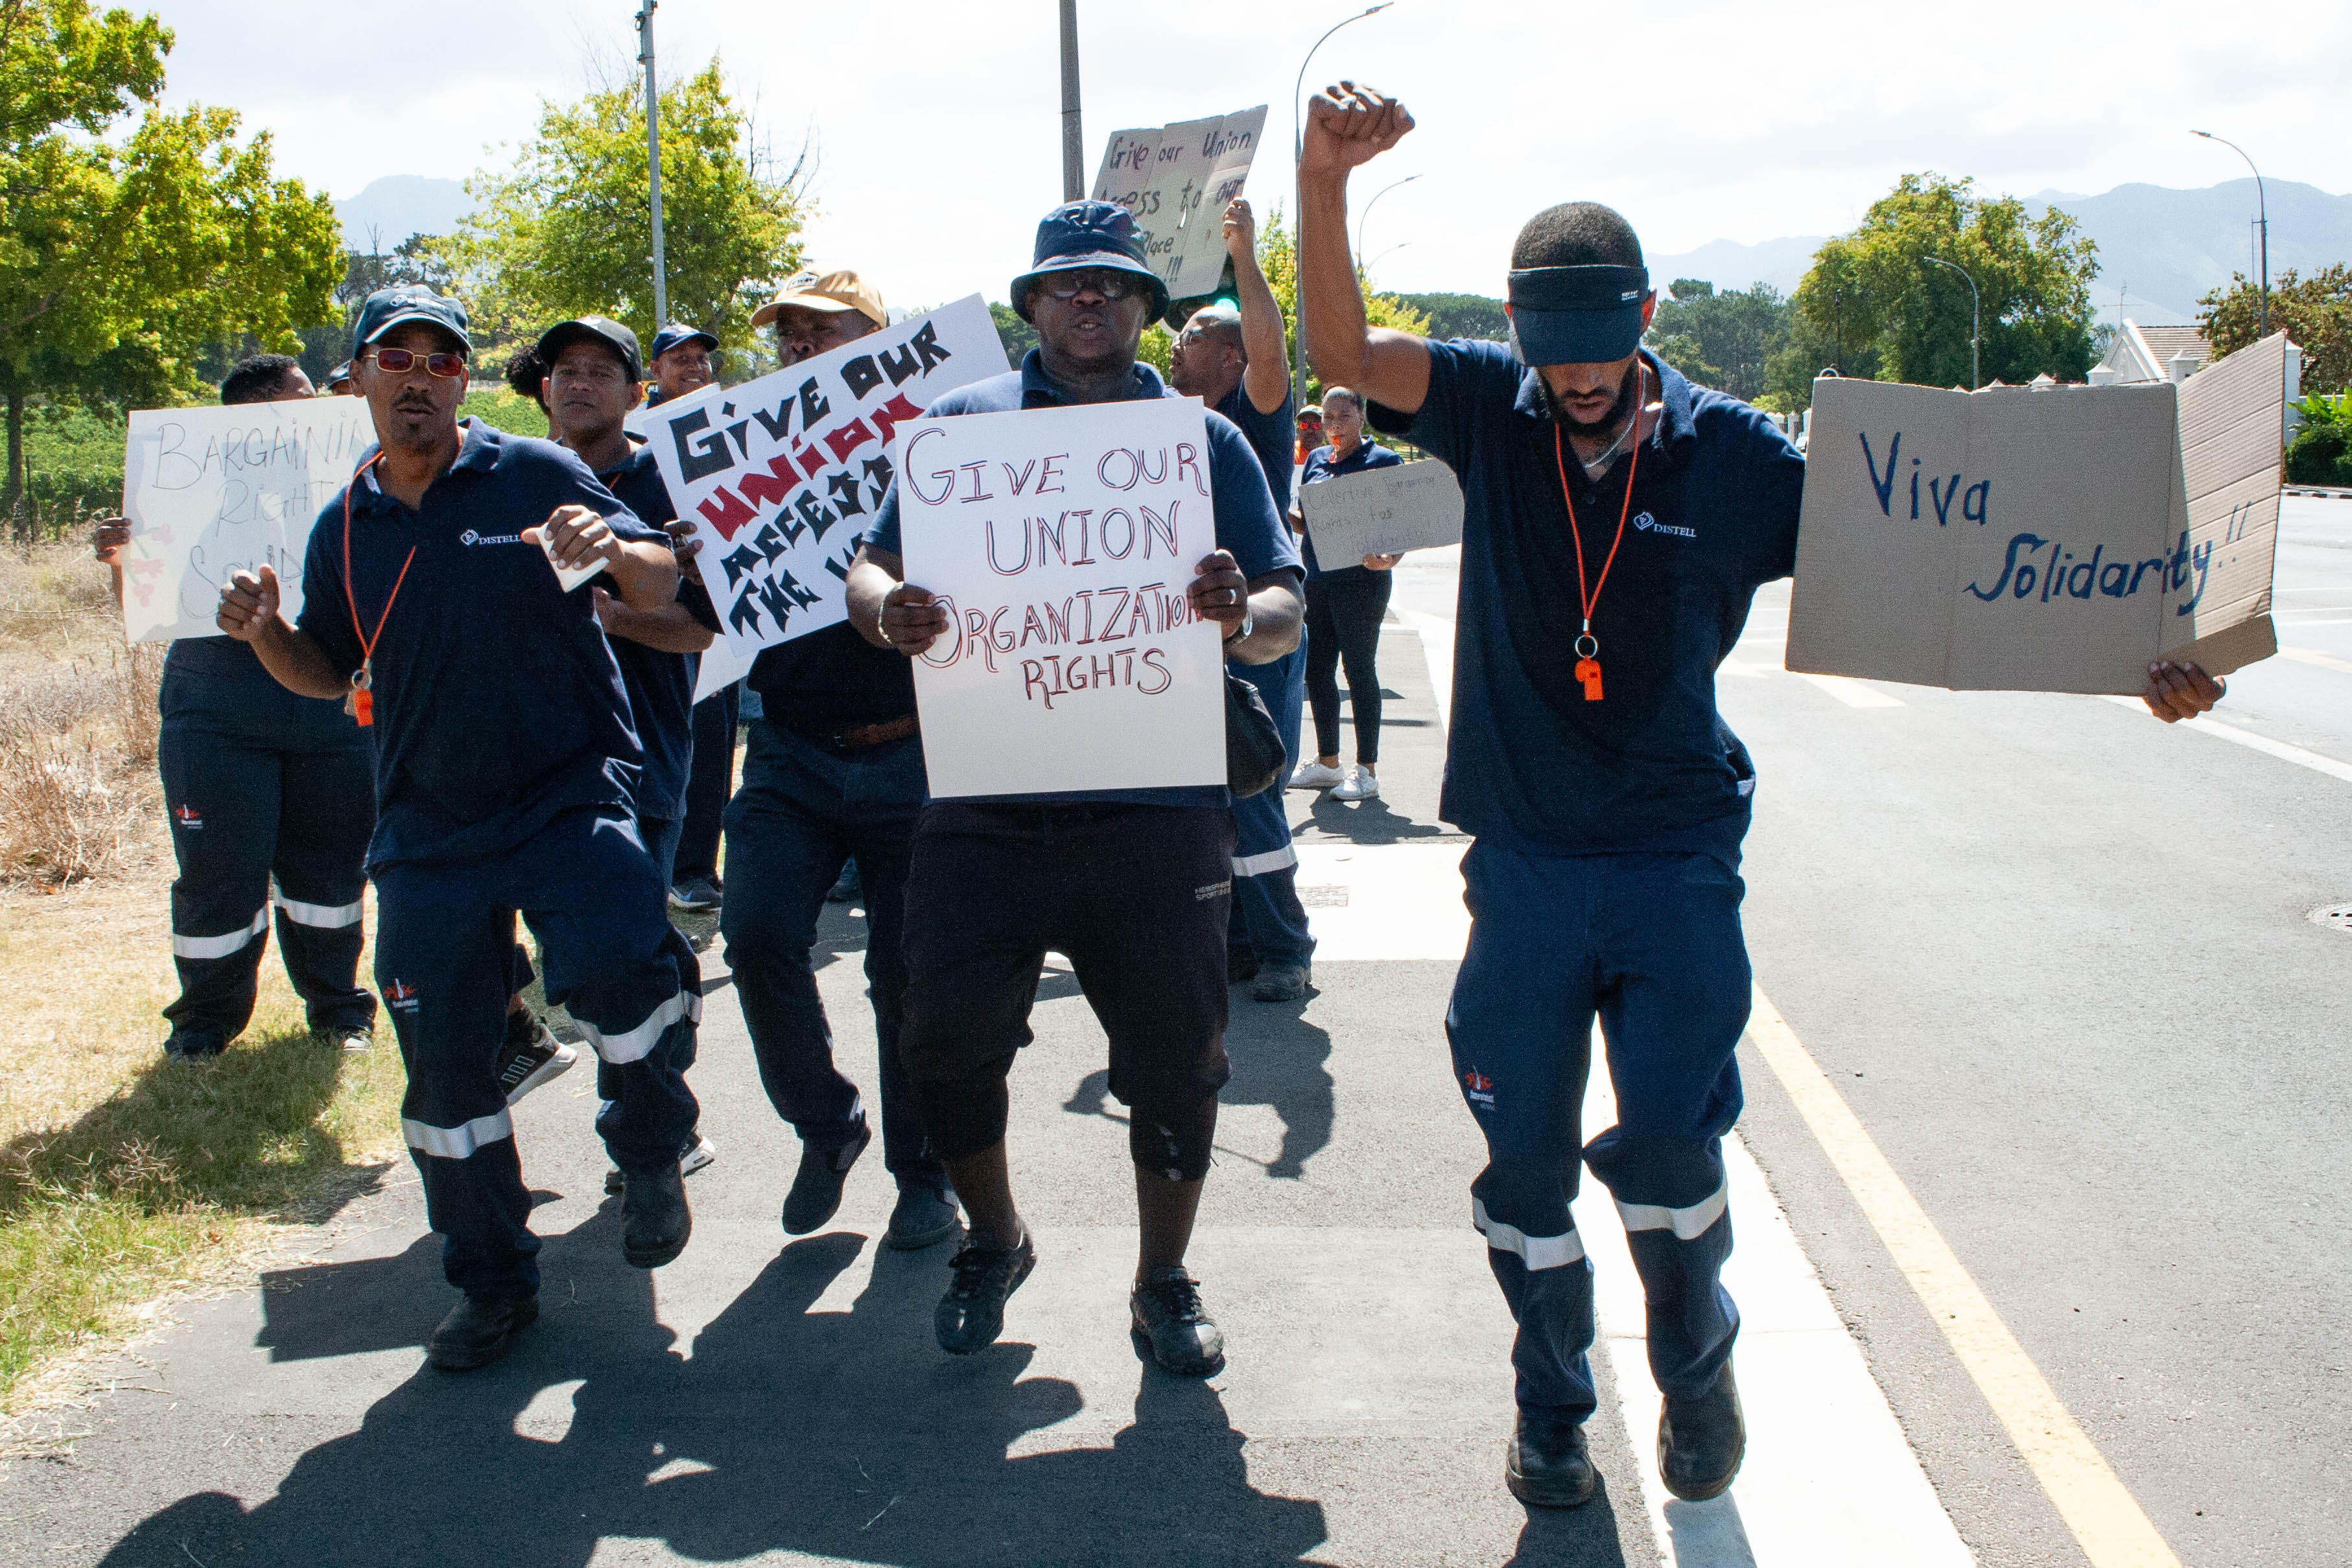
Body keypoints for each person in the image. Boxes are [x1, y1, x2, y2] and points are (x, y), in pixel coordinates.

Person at [1295, 82, 2227, 1511]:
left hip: (1673, 866)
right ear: (1520, 336)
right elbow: (1344, 347)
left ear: (1650, 317)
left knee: (1672, 1151)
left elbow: (1941, 581)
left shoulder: (1734, 458)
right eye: (1558, 357)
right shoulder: (1489, 406)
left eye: (1605, 351)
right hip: (1529, 865)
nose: (1582, 379)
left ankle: (1695, 1350)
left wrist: (2137, 659)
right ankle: (1551, 1407)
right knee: (1522, 1167)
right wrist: (1323, 177)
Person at [846, 200, 1304, 1375]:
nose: (1088, 300)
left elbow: (1281, 602)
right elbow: (871, 564)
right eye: (1065, 285)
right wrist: (881, 611)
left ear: (1145, 307)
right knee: (941, 1042)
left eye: (1112, 284)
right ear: (1031, 305)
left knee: (1174, 1059)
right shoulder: (955, 431)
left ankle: (1162, 1275)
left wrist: (1233, 617)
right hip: (985, 802)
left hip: (1155, 808)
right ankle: (994, 1237)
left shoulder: (1198, 441)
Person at [215, 285, 705, 1373]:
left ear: (464, 381)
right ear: (360, 379)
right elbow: (325, 670)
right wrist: (264, 635)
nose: (420, 378)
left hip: (566, 798)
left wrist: (615, 551)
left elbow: (665, 572)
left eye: (444, 361)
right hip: (428, 829)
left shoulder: (535, 474)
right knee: (443, 1074)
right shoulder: (345, 523)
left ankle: (651, 1144)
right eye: (398, 358)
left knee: (621, 982)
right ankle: (490, 1281)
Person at [664, 266, 959, 1251]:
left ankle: (922, 1172)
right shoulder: (745, 474)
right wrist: (698, 561)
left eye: (818, 334)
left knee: (906, 974)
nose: (796, 352)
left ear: (872, 347)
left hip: (913, 755)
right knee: (754, 939)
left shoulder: (939, 454)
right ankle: (826, 1124)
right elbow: (709, 621)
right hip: (789, 757)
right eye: (786, 338)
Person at [92, 353, 377, 1063]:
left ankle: (340, 1011)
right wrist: (123, 565)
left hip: (328, 710)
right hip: (215, 713)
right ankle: (203, 1024)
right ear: (252, 416)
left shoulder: (352, 485)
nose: (319, 409)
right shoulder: (180, 487)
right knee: (218, 874)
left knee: (332, 875)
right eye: (300, 398)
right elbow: (146, 608)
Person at [520, 316, 725, 1189]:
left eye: (603, 371)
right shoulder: (510, 480)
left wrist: (616, 615)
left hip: (642, 753)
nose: (579, 385)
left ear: (638, 394)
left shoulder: (670, 484)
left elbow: (702, 632)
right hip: (535, 762)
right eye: (565, 371)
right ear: (542, 390)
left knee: (625, 944)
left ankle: (650, 1127)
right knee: (573, 945)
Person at [1167, 198, 1315, 1003]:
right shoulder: (1164, 418)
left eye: (1189, 337)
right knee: (1203, 788)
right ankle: (1241, 941)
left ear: (1230, 354)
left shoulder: (1252, 416)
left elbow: (1273, 352)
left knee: (1248, 777)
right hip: (1187, 631)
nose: (1174, 348)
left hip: (1252, 623)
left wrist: (1245, 255)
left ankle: (1286, 943)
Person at [1288, 386, 1405, 802]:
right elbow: (1306, 523)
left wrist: (1391, 558)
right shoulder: (1317, 459)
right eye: (1328, 418)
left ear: (1361, 416)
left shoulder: (1384, 461)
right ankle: (1328, 763)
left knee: (1358, 671)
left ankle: (1367, 771)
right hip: (1317, 578)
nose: (1334, 425)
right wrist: (1284, 511)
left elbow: (1402, 521)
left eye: (1343, 416)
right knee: (1317, 672)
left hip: (1362, 582)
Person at [644, 323, 718, 406]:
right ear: (656, 369)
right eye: (683, 359)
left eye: (702, 358)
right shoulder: (640, 418)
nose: (697, 367)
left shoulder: (724, 413)